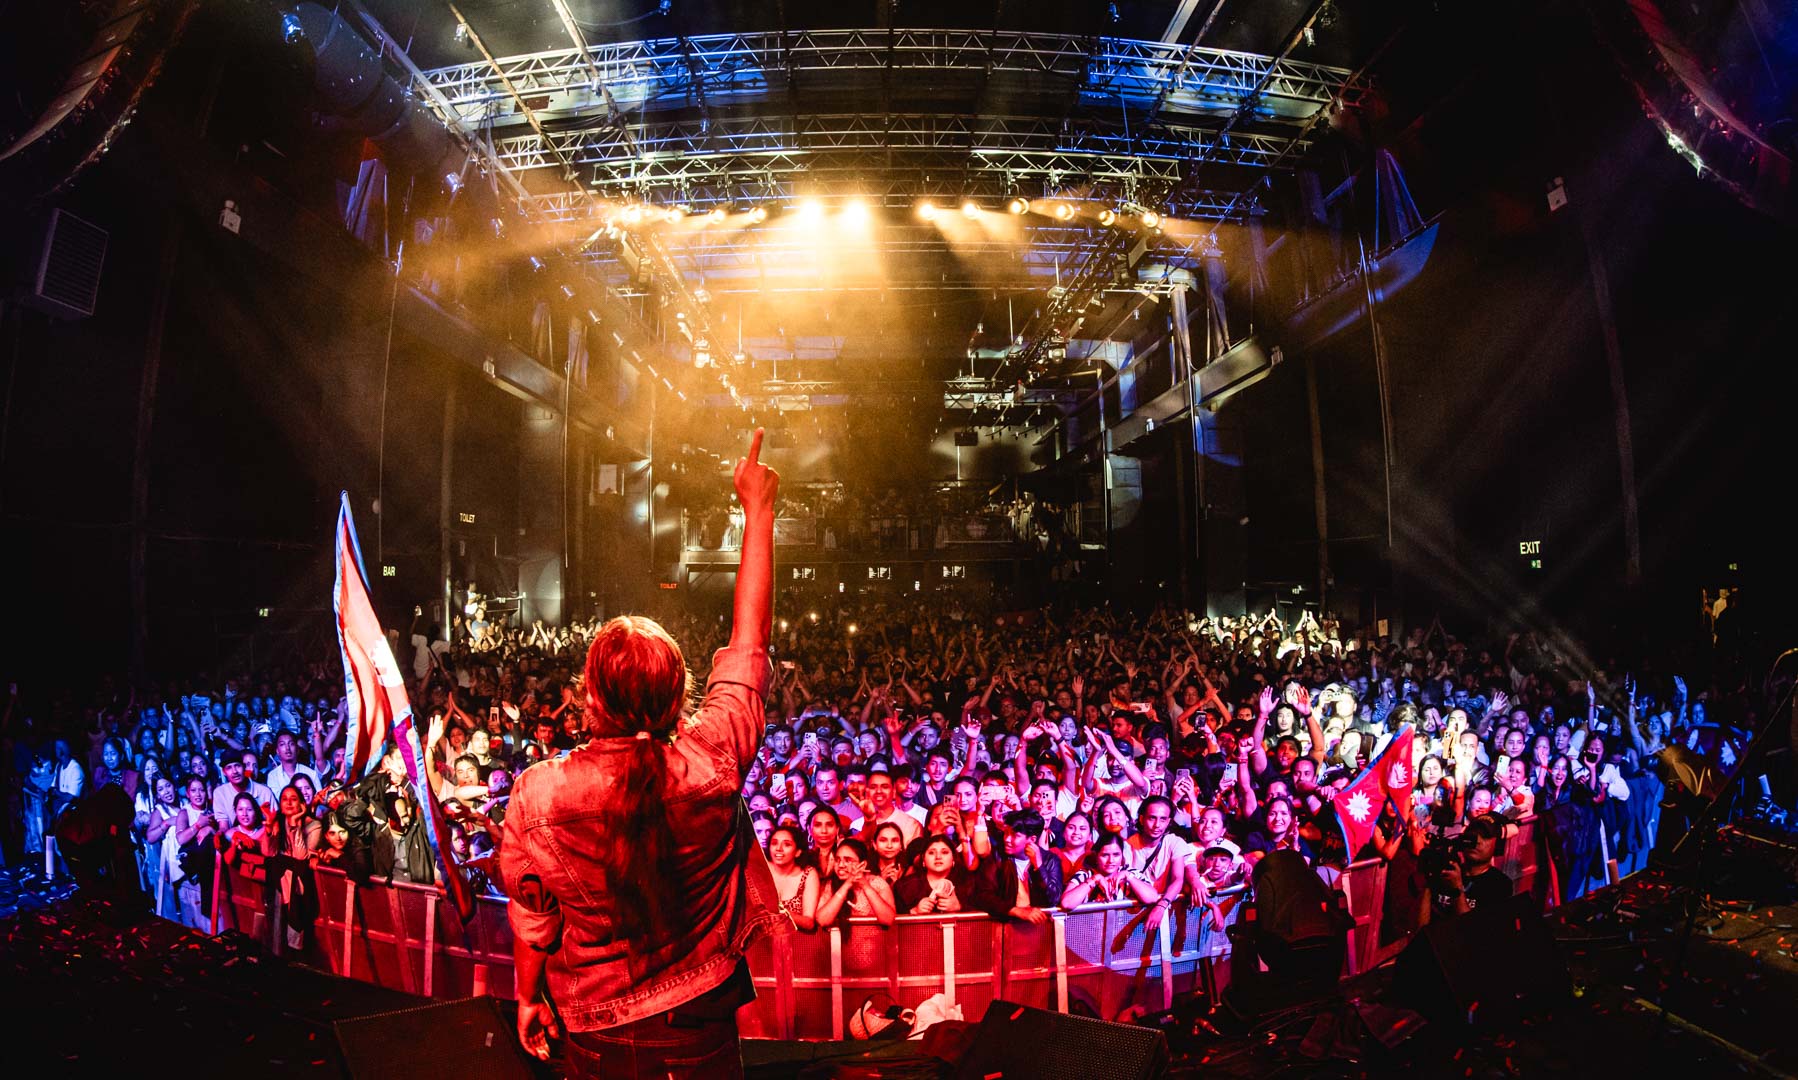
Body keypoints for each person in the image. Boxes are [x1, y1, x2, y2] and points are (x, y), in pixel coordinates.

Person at [499, 428, 786, 1078]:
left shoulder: (539, 794)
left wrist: (526, 998)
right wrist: (760, 512)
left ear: (588, 700)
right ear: (676, 695)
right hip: (702, 1026)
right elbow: (750, 642)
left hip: (596, 1035)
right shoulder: (713, 759)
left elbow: (535, 918)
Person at [815, 836, 897, 928]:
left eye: (848, 860)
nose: (841, 865)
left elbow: (888, 920)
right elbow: (822, 920)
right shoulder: (830, 885)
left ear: (863, 865)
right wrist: (847, 885)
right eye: (838, 860)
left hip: (874, 942)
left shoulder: (877, 883)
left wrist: (865, 886)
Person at [894, 835, 968, 914]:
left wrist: (959, 906)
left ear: (953, 858)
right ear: (923, 860)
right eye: (931, 853)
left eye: (944, 852)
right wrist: (914, 911)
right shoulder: (904, 886)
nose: (938, 857)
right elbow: (893, 918)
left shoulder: (967, 883)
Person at [766, 825, 819, 931]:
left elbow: (809, 922)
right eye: (774, 843)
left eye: (787, 844)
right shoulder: (761, 868)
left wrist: (782, 912)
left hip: (796, 941)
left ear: (798, 852)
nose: (779, 849)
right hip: (761, 942)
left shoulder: (808, 874)